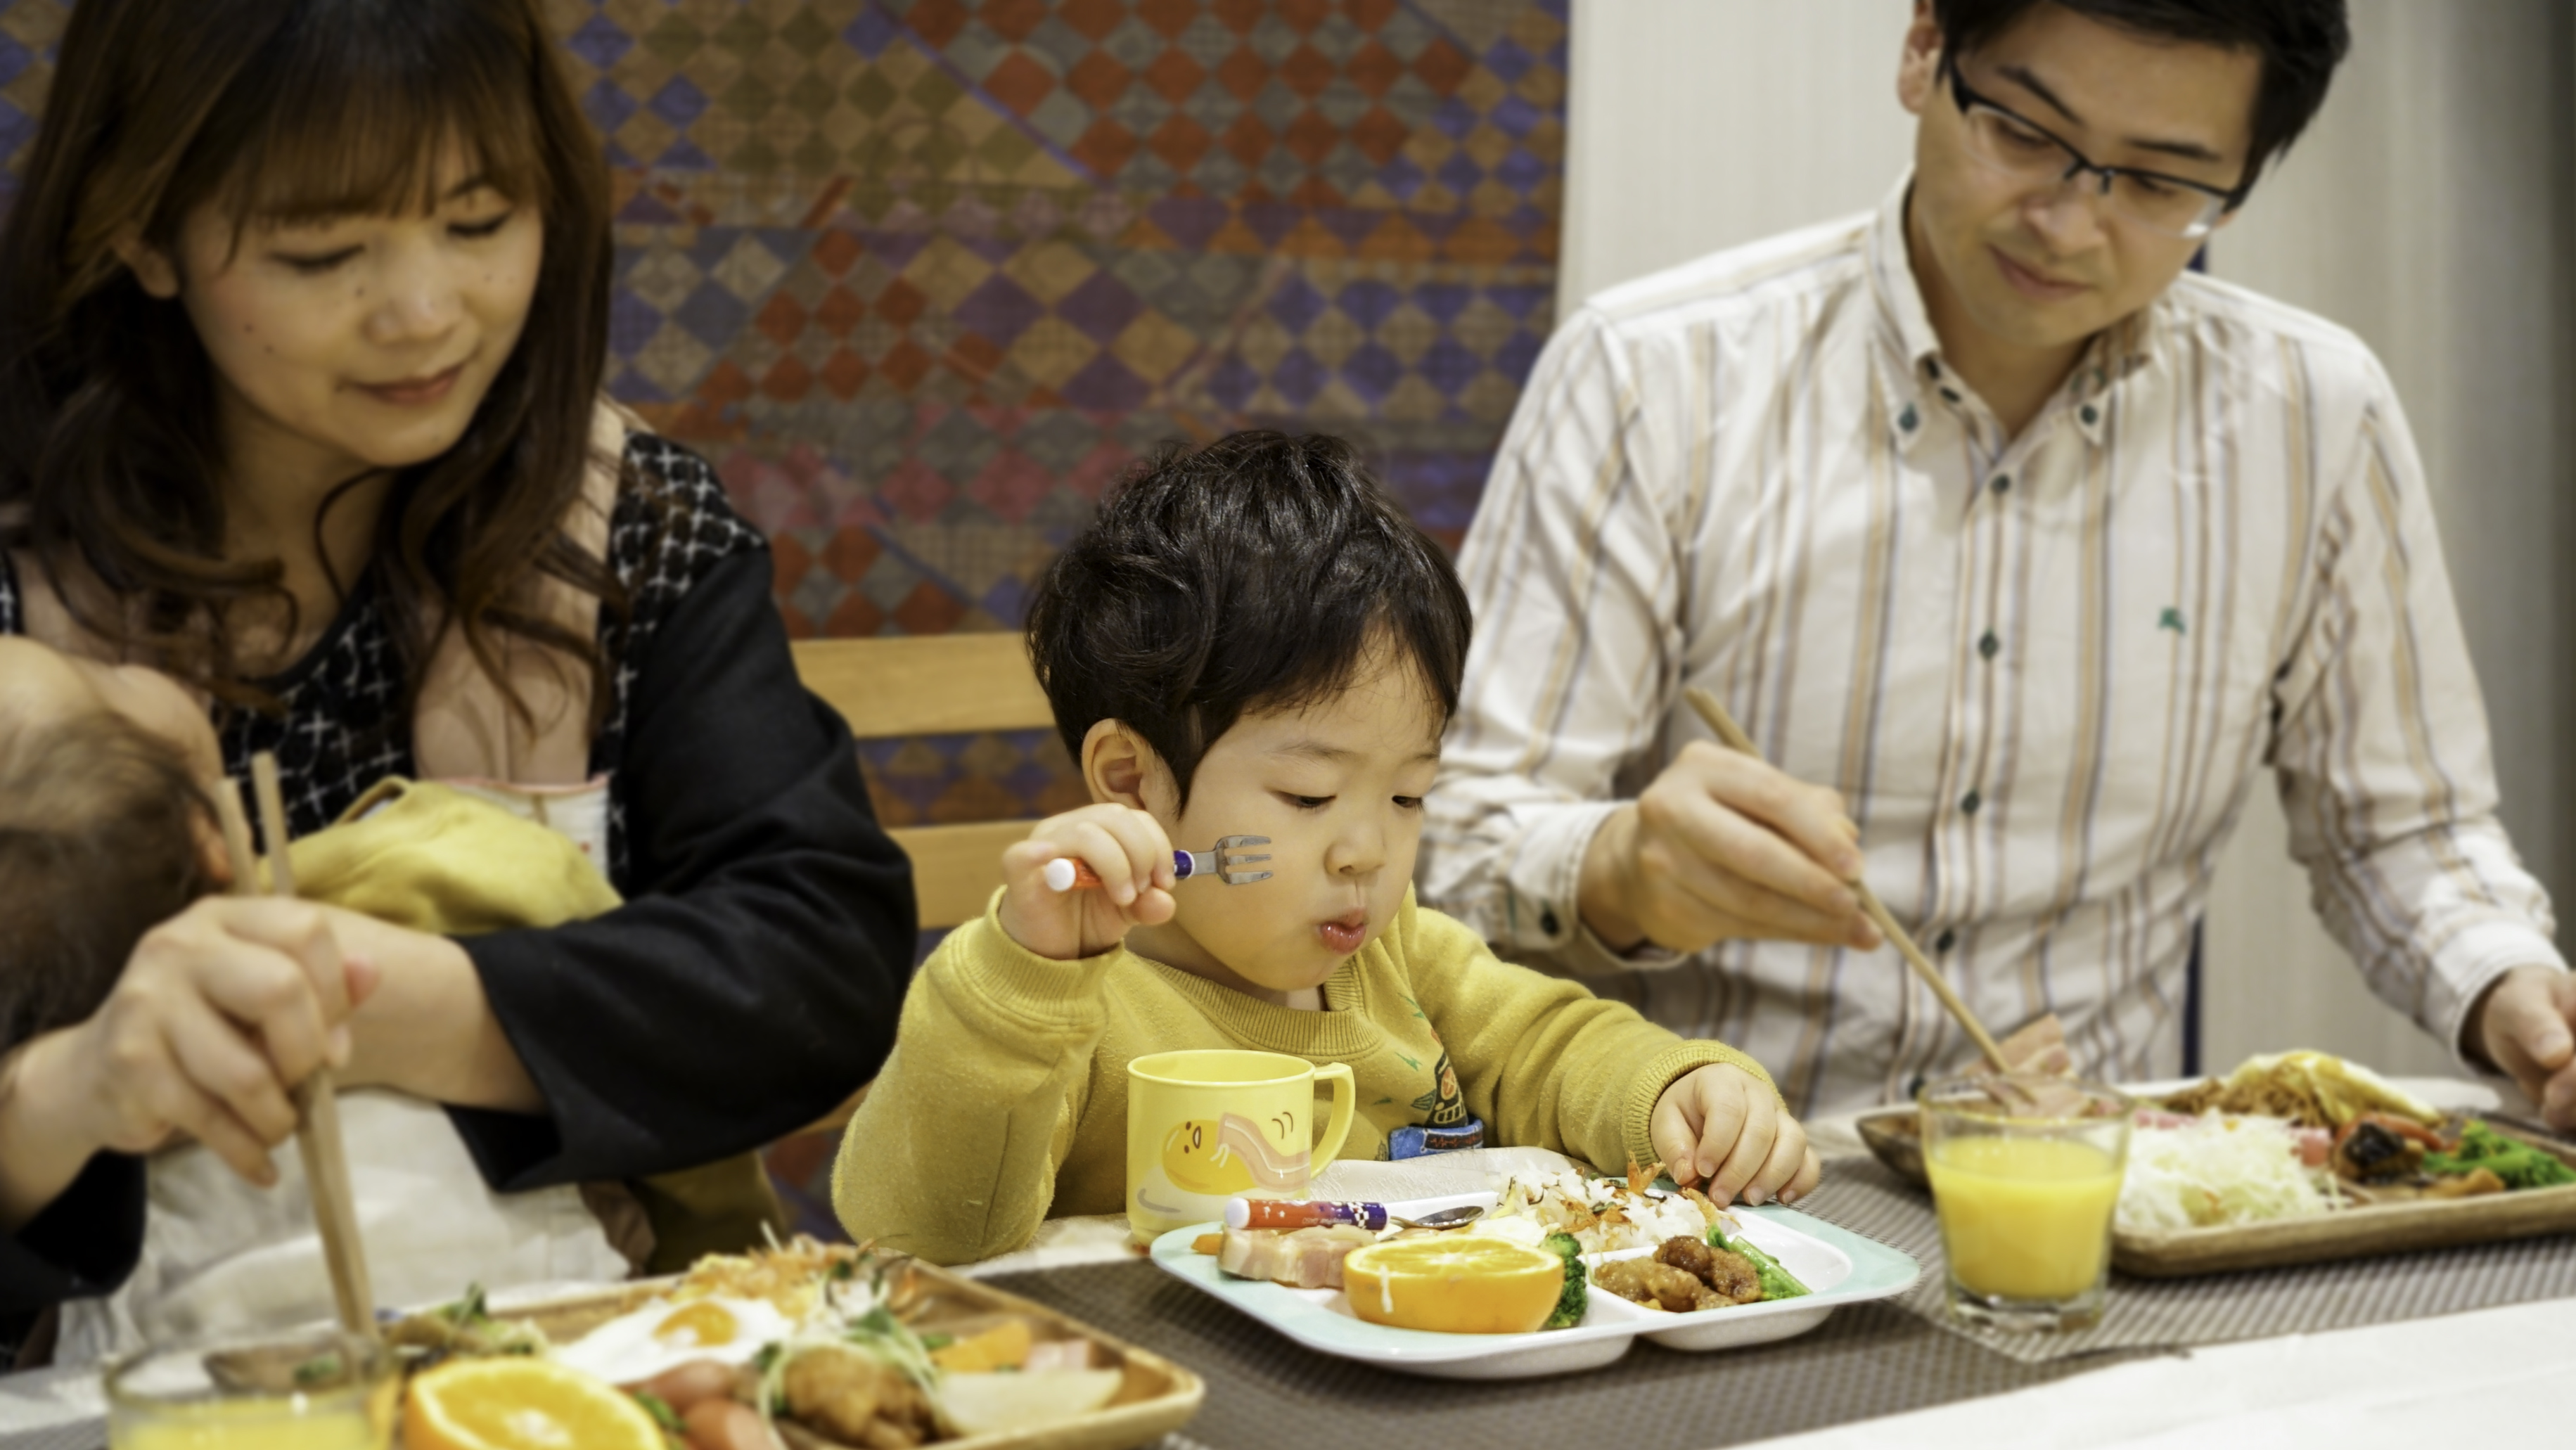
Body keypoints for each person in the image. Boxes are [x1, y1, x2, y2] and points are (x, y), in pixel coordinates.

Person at [1421, 0, 2576, 1124]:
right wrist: (1619, 873)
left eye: (2164, 182)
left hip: (2096, 1191)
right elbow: (1448, 839)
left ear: (2241, 181)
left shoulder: (2313, 416)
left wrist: (2514, 991)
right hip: (1705, 1192)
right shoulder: (1655, 377)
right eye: (2026, 133)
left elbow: (2403, 834)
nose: (2070, 223)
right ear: (1926, 48)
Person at [0, 0, 916, 1330]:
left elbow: (817, 960)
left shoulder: (625, 529)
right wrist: (70, 1092)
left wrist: (398, 1004)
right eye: (326, 252)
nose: (427, 314)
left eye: (481, 224)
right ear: (143, 228)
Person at [833, 432, 1820, 1268]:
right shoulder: (1059, 1007)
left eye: (1407, 794)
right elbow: (921, 1233)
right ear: (1133, 781)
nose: (1366, 851)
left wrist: (1677, 1090)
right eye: (1309, 795)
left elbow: (1546, 1044)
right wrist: (1020, 982)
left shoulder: (1398, 957)